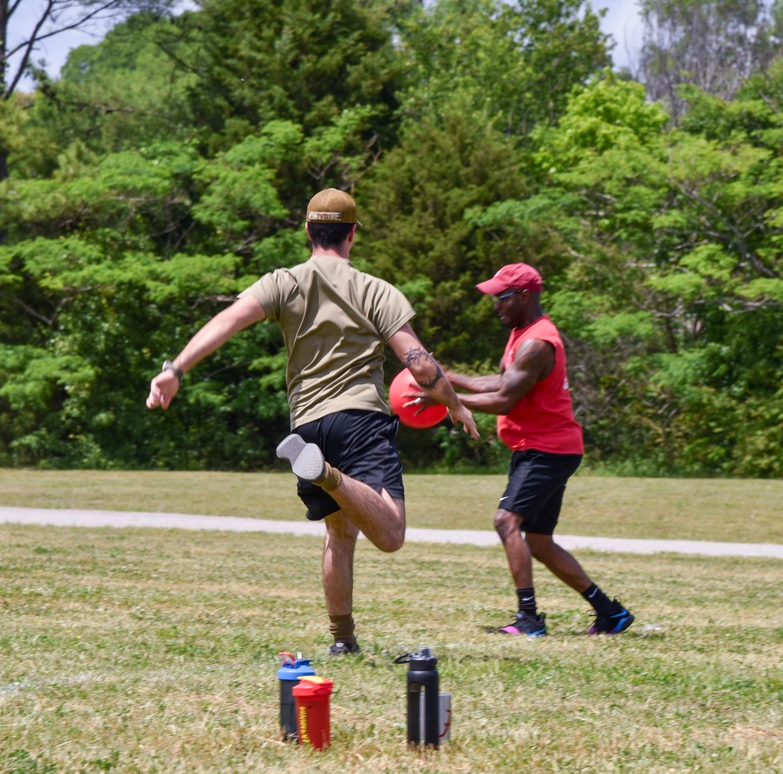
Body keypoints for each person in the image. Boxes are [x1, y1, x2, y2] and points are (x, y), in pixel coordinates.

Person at [147, 188, 479, 654]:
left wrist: (174, 370)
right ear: (353, 235)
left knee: (339, 533)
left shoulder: (284, 282)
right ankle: (324, 472)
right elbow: (421, 367)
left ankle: (343, 643)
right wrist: (455, 405)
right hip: (359, 419)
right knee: (391, 533)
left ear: (307, 230)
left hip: (307, 425)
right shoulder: (375, 290)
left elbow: (228, 320)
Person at [436, 262, 633, 636]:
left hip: (548, 449)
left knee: (505, 521)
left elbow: (505, 399)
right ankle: (610, 613)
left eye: (502, 297)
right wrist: (447, 376)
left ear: (525, 297)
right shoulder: (522, 333)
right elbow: (503, 380)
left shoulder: (537, 343)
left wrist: (444, 399)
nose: (496, 305)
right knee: (539, 542)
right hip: (541, 447)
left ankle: (529, 620)